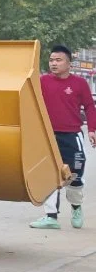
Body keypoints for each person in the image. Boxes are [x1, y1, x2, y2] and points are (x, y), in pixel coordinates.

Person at [30, 44, 96, 230]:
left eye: (58, 60)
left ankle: (76, 207)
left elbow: (90, 107)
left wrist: (92, 129)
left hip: (72, 136)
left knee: (74, 176)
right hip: (48, 136)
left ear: (69, 64)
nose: (54, 63)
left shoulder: (79, 84)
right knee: (49, 176)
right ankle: (51, 216)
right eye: (51, 60)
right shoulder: (42, 82)